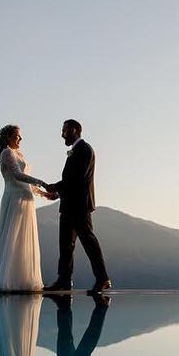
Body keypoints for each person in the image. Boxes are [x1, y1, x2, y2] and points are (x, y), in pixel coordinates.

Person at [43, 120, 112, 293]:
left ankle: (103, 279)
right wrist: (58, 194)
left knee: (88, 240)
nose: (62, 135)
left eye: (64, 130)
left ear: (74, 130)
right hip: (68, 205)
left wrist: (56, 187)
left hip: (80, 206)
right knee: (65, 244)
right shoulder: (76, 150)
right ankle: (64, 280)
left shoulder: (85, 149)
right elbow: (72, 181)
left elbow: (78, 178)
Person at [0, 124, 54, 292]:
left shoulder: (19, 154)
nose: (20, 138)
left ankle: (24, 281)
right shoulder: (7, 152)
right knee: (13, 238)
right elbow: (17, 175)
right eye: (17, 135)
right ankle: (8, 281)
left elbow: (27, 184)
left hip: (27, 200)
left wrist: (45, 194)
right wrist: (42, 182)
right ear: (9, 137)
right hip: (14, 199)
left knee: (24, 239)